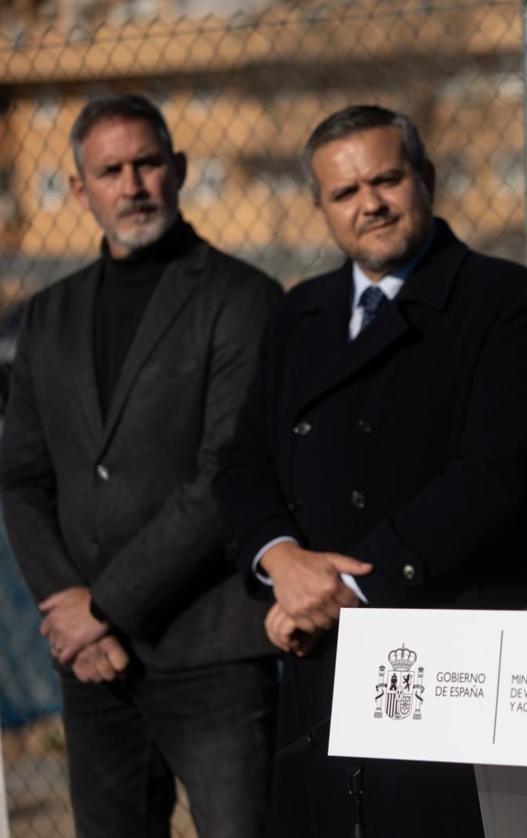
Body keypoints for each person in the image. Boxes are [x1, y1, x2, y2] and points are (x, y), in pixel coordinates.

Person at [213, 105, 527, 837]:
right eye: (345, 192)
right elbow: (244, 461)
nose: (369, 203)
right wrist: (282, 561)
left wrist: (347, 587)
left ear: (425, 179)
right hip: (321, 654)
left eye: (386, 179)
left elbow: (494, 477)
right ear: (322, 207)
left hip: (451, 652)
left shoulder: (506, 301)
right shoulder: (298, 314)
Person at [0, 94, 281, 838]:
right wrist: (67, 605)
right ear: (76, 188)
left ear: (179, 169)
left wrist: (101, 609)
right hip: (93, 667)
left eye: (147, 164)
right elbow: (22, 476)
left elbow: (227, 472)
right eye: (110, 170)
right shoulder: (48, 314)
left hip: (212, 651)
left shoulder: (243, 298)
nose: (132, 185)